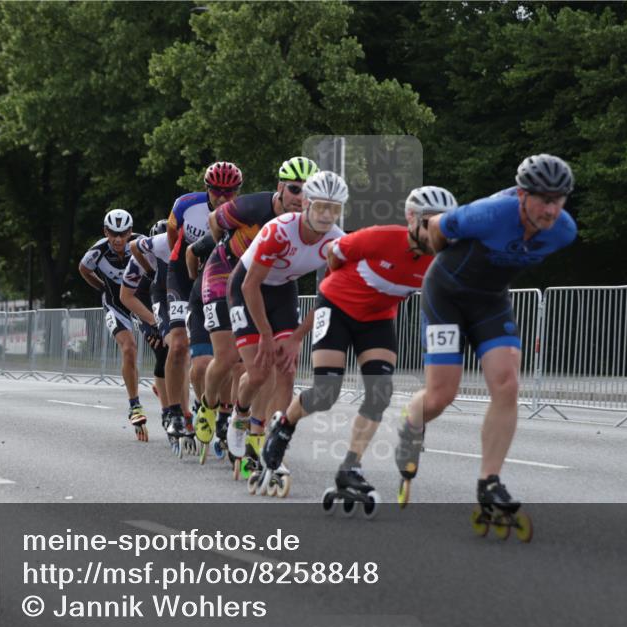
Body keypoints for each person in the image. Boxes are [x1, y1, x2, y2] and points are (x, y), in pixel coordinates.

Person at [393, 154, 577, 537]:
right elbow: (436, 226)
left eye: (559, 199)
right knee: (442, 394)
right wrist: (437, 250)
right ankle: (413, 420)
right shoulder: (490, 213)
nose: (551, 209)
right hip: (445, 295)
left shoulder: (564, 230)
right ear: (522, 195)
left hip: (490, 301)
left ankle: (489, 482)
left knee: (507, 381)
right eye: (543, 199)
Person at [261, 186, 457, 517]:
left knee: (380, 392)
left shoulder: (442, 260)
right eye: (429, 223)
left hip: (378, 318)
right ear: (411, 220)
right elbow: (334, 254)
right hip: (336, 306)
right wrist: (343, 284)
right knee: (326, 392)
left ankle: (350, 467)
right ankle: (284, 425)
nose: (437, 232)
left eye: (445, 225)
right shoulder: (382, 237)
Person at [226, 170, 348, 496]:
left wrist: (296, 338)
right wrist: (266, 336)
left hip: (282, 292)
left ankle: (274, 446)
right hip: (246, 288)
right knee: (258, 371)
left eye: (333, 209)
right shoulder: (278, 231)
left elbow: (330, 295)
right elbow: (250, 285)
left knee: (287, 369)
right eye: (320, 206)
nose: (326, 215)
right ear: (306, 203)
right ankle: (239, 413)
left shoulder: (336, 241)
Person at [194, 156, 319, 466]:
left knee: (285, 367)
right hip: (229, 275)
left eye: (309, 192)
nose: (300, 198)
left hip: (276, 285)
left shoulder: (315, 219)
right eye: (294, 189)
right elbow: (215, 221)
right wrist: (226, 243)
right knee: (225, 357)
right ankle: (208, 404)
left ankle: (264, 435)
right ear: (279, 188)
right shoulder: (252, 207)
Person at [162, 162, 242, 451]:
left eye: (229, 192)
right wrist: (186, 266)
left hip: (217, 276)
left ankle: (217, 410)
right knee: (178, 343)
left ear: (237, 191)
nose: (222, 197)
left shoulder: (241, 211)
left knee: (222, 355)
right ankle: (174, 412)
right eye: (216, 191)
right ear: (207, 188)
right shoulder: (186, 204)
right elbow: (174, 236)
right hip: (183, 273)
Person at [78, 209, 152, 440]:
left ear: (130, 232)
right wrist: (101, 287)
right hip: (114, 305)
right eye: (112, 233)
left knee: (165, 347)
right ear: (105, 231)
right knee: (129, 348)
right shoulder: (97, 251)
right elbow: (83, 270)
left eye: (123, 233)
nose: (118, 239)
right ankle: (135, 404)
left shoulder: (141, 244)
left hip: (139, 302)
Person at [123, 221, 173, 437]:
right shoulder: (140, 261)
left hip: (166, 301)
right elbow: (128, 297)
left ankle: (165, 386)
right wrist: (153, 324)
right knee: (163, 348)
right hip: (142, 306)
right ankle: (166, 410)